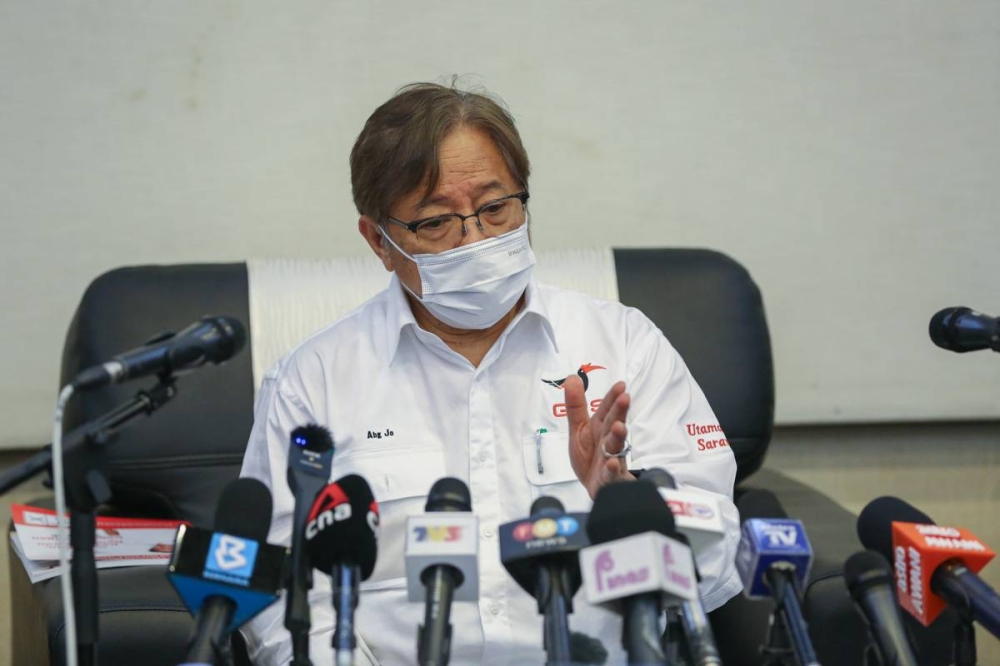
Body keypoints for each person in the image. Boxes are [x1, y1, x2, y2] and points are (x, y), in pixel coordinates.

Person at [240, 81, 741, 665]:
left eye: (495, 208)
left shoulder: (626, 344)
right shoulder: (313, 382)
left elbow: (718, 561)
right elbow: (280, 592)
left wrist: (628, 507)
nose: (475, 238)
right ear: (378, 239)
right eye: (436, 222)